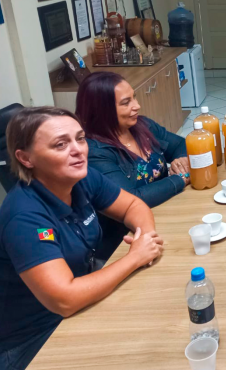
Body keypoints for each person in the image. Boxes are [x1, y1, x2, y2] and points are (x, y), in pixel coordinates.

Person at [0, 107, 163, 369]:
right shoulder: (24, 217)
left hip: (82, 302)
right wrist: (134, 258)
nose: (78, 150)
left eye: (80, 138)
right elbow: (65, 300)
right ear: (26, 158)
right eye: (60, 144)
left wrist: (144, 239)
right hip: (33, 337)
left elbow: (134, 206)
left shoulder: (80, 178)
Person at [76, 72, 189, 259]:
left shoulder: (142, 126)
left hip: (167, 209)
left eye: (134, 97)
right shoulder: (95, 152)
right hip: (128, 239)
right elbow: (132, 199)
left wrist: (182, 160)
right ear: (102, 110)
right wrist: (181, 178)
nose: (137, 106)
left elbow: (180, 144)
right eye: (126, 102)